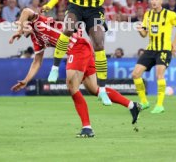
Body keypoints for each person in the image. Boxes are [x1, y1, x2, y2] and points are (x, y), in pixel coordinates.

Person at [10, 8, 141, 137]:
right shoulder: (36, 40)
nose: (22, 26)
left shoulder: (38, 21)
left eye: (22, 24)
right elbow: (37, 62)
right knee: (94, 89)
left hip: (78, 47)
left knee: (72, 86)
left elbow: (26, 11)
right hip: (82, 49)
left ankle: (87, 128)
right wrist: (26, 80)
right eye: (19, 24)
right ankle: (132, 105)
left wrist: (19, 30)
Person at [42, 0, 142, 105]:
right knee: (67, 28)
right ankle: (54, 68)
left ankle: (102, 89)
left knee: (99, 44)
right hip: (76, 6)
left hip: (95, 9)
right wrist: (50, 4)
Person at [132, 0, 176, 114]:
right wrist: (140, 30)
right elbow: (144, 35)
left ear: (161, 1)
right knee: (135, 74)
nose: (154, 1)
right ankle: (144, 102)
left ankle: (160, 105)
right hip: (150, 49)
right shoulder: (148, 14)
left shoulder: (170, 14)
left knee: (159, 75)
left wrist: (174, 43)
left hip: (164, 49)